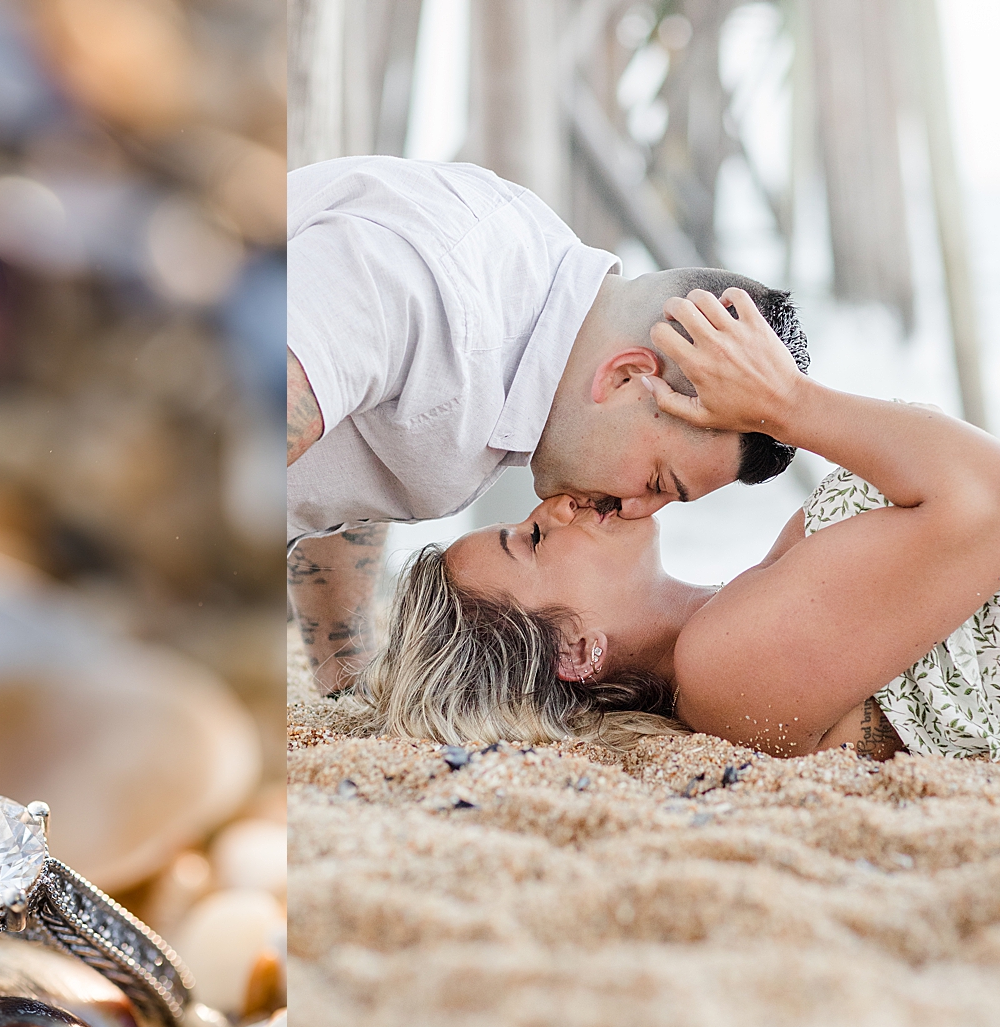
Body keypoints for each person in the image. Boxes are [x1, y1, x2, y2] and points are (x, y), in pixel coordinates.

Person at [363, 286, 1000, 763]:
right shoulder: (725, 670)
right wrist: (787, 407)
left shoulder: (738, 628)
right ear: (578, 650)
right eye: (532, 540)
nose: (554, 506)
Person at [286, 156, 809, 694]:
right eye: (657, 483)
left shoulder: (521, 343)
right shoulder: (435, 290)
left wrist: (341, 679)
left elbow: (354, 441)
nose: (636, 512)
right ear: (627, 377)